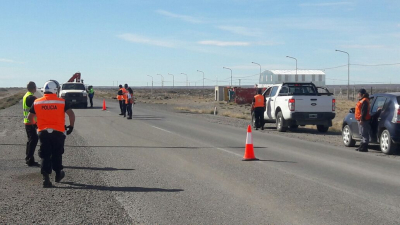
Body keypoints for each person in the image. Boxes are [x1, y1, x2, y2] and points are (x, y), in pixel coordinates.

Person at [27, 80, 76, 188]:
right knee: (57, 153)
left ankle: (46, 178)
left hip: (43, 132)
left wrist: (35, 125)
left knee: (45, 154)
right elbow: (71, 114)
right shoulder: (62, 102)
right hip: (58, 132)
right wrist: (71, 126)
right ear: (55, 90)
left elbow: (30, 118)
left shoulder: (37, 102)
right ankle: (58, 174)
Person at [23, 81, 39, 167]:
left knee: (30, 141)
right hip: (31, 122)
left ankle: (29, 158)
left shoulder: (26, 95)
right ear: (34, 88)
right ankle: (29, 159)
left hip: (28, 122)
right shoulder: (31, 97)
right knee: (33, 141)